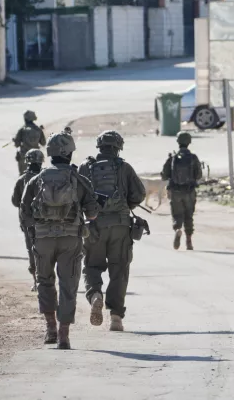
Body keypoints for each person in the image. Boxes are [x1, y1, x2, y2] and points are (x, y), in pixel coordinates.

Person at [20, 132, 100, 349]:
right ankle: (64, 334)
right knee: (68, 285)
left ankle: (50, 329)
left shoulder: (37, 179)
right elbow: (92, 214)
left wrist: (37, 229)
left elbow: (24, 212)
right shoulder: (79, 179)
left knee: (44, 281)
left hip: (43, 239)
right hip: (70, 240)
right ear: (69, 153)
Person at [79, 130, 146, 331]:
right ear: (118, 147)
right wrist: (126, 206)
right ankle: (116, 317)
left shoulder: (85, 167)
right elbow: (140, 194)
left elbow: (77, 197)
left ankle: (95, 296)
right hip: (120, 227)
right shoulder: (124, 167)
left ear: (99, 147)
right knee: (119, 270)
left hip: (93, 227)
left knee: (91, 266)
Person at [161, 132, 203, 251]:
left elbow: (164, 176)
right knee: (189, 215)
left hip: (175, 192)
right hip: (190, 191)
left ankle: (178, 229)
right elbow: (199, 175)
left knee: (177, 214)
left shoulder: (173, 158)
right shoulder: (193, 158)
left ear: (178, 142)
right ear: (189, 142)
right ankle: (189, 240)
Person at [12, 149, 45, 292]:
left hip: (29, 222)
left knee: (32, 250)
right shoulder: (47, 176)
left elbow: (15, 201)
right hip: (47, 220)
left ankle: (37, 280)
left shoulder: (22, 179)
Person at [12, 110, 46, 175]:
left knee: (23, 176)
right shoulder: (38, 129)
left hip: (24, 156)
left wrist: (15, 140)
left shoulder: (22, 129)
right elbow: (43, 143)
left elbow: (17, 144)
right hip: (36, 157)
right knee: (35, 175)